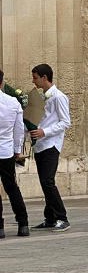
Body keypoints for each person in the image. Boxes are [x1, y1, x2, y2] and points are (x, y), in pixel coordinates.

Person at [29, 64, 71, 232]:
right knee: (44, 182)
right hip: (40, 144)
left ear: (44, 77)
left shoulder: (58, 97)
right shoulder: (42, 97)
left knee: (48, 181)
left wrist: (44, 131)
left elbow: (65, 122)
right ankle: (50, 217)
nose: (33, 81)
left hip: (51, 144)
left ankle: (62, 217)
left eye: (35, 78)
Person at [0, 70, 28, 238]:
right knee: (12, 187)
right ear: (2, 82)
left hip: (5, 150)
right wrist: (17, 149)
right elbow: (19, 130)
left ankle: (0, 228)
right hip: (6, 151)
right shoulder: (12, 102)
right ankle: (23, 223)